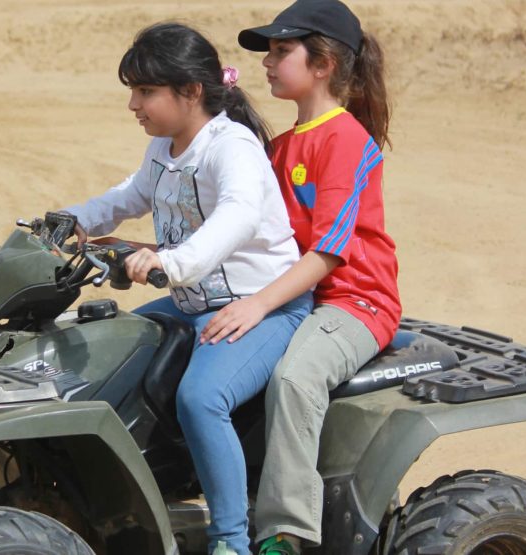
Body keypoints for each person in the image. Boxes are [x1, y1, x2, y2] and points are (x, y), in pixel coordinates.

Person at [62, 22, 312, 555]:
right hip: (191, 302)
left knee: (202, 399)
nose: (134, 103)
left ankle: (230, 541)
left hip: (264, 309)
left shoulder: (232, 147)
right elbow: (128, 196)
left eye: (146, 90)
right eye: (133, 89)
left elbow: (237, 218)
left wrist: (171, 262)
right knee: (107, 349)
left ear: (191, 91)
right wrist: (70, 220)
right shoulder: (164, 146)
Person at [198, 1, 402, 553]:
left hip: (353, 302)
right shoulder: (283, 146)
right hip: (298, 298)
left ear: (324, 64)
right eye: (267, 52)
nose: (268, 61)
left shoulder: (345, 140)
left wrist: (257, 305)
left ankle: (286, 534)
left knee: (294, 379)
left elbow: (331, 252)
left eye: (281, 51)